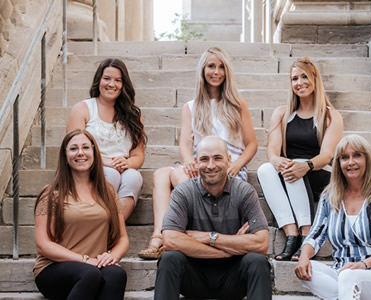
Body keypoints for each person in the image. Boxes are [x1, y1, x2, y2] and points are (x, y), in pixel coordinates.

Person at [138, 46, 257, 259]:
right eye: (211, 66)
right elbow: (185, 143)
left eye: (221, 67)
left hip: (228, 170)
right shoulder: (191, 107)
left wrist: (237, 164)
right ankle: (158, 235)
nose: (216, 72)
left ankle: (182, 233)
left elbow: (251, 144)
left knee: (173, 175)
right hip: (200, 168)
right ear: (203, 70)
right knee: (160, 174)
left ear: (227, 71)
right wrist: (188, 161)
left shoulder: (237, 104)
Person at [154, 135, 271, 300]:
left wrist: (210, 238)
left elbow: (261, 243)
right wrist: (228, 251)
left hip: (234, 279)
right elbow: (171, 240)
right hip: (194, 278)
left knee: (257, 261)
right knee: (169, 258)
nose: (210, 165)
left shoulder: (244, 192)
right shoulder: (184, 192)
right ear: (196, 162)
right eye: (204, 159)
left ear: (228, 160)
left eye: (217, 158)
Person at [295, 134, 371, 300]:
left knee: (350, 276)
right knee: (308, 269)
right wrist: (304, 258)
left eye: (357, 155)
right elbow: (315, 236)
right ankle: (348, 294)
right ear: (338, 164)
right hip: (342, 272)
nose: (351, 162)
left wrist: (363, 264)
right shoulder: (329, 197)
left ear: (367, 160)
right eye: (344, 157)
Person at [257, 57, 343, 261]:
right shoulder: (281, 113)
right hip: (291, 174)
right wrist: (275, 159)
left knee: (294, 167)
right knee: (265, 169)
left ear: (315, 79)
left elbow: (327, 155)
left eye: (304, 76)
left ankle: (307, 234)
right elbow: (272, 148)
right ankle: (291, 234)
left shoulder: (330, 116)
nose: (299, 82)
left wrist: (307, 165)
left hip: (318, 173)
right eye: (294, 78)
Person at [34, 129, 129, 300]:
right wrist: (84, 260)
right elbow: (43, 244)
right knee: (90, 274)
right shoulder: (51, 193)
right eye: (73, 148)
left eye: (86, 147)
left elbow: (122, 238)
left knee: (116, 274)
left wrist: (111, 256)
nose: (80, 153)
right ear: (65, 156)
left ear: (94, 152)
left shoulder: (108, 191)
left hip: (94, 266)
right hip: (54, 269)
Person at [66, 58, 147, 220]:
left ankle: (113, 228)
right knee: (112, 174)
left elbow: (138, 155)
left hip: (121, 169)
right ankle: (98, 225)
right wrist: (107, 162)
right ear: (99, 80)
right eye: (107, 79)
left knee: (134, 176)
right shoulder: (83, 108)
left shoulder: (134, 115)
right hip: (89, 167)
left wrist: (127, 163)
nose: (112, 84)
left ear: (124, 85)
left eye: (118, 80)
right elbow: (73, 149)